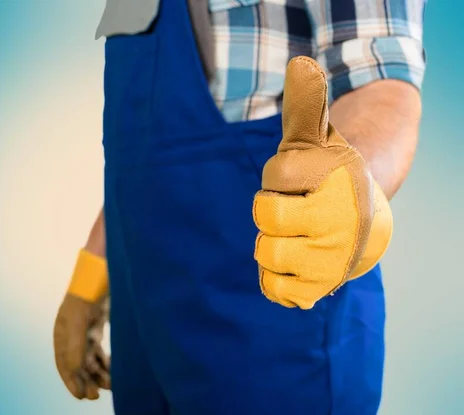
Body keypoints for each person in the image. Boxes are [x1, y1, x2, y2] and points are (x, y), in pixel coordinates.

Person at [54, 0, 426, 414]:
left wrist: (349, 195)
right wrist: (94, 271)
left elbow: (381, 86)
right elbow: (144, 161)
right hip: (143, 327)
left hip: (273, 336)